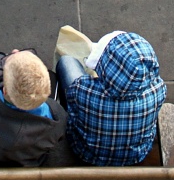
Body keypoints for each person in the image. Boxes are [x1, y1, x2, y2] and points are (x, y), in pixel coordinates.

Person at [56, 31, 166, 166]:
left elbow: (73, 104)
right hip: (136, 156)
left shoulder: (82, 88)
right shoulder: (158, 89)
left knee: (66, 61)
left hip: (86, 153)